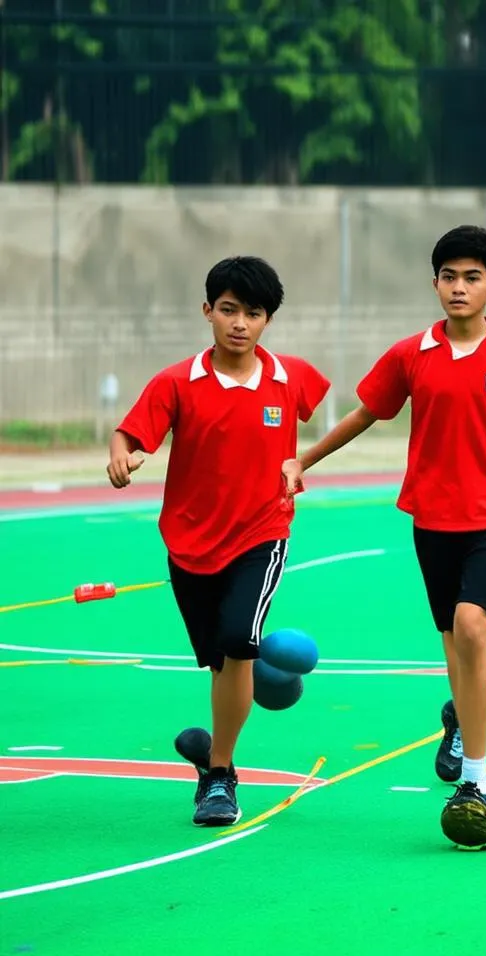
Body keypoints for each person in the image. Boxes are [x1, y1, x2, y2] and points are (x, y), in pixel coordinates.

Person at [283, 225, 486, 850]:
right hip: (433, 517)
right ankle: (461, 720)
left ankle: (477, 780)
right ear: (434, 283)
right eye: (448, 276)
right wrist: (306, 459)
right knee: (453, 644)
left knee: (472, 626)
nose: (459, 288)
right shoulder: (412, 354)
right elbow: (365, 414)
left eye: (472, 278)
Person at [107, 256, 331, 826]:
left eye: (252, 313)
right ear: (207, 311)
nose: (239, 323)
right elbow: (132, 433)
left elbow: (318, 416)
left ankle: (221, 776)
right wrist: (124, 455)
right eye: (228, 310)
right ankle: (219, 746)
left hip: (263, 533)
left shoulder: (292, 378)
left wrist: (296, 461)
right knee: (220, 661)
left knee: (237, 639)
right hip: (188, 543)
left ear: (267, 321)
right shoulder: (178, 382)